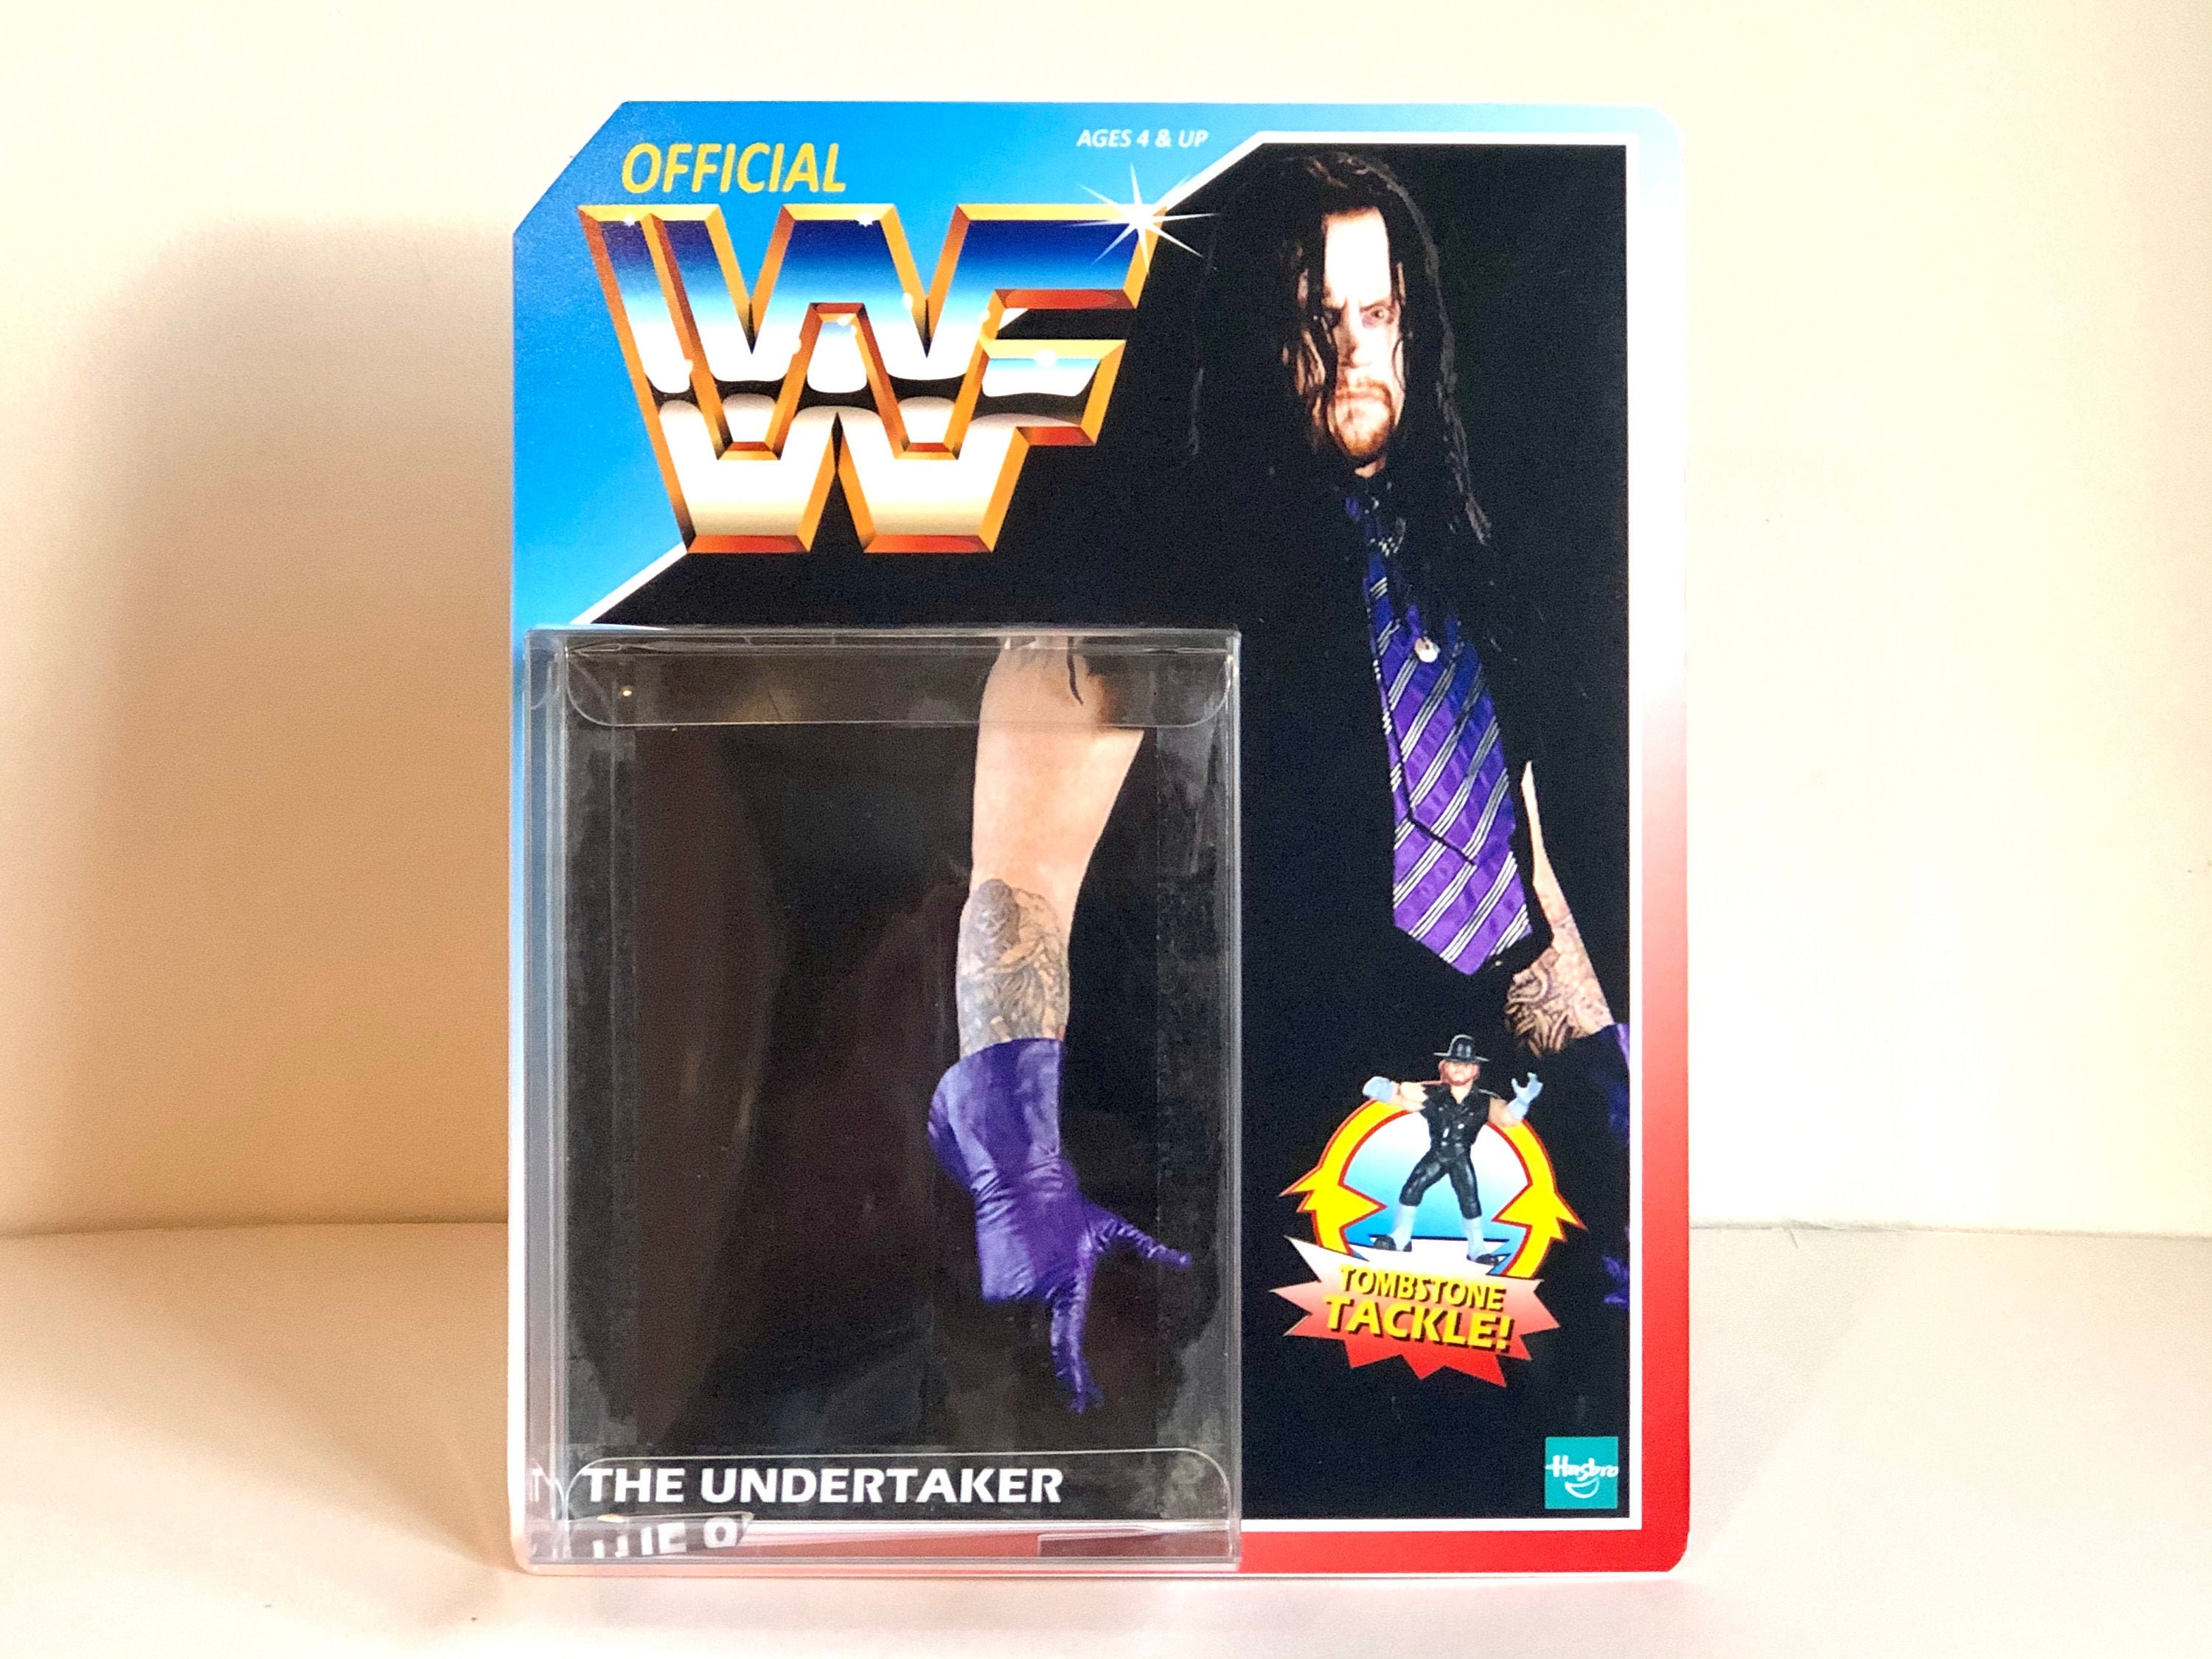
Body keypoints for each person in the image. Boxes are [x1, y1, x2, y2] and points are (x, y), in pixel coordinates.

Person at [931, 150, 1630, 1485]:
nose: (1355, 351)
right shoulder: (1141, 577)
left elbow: (1517, 877)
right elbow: (1017, 896)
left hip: (1476, 1158)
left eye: (1379, 314)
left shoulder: (1457, 569)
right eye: (1318, 318)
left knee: (1502, 1491)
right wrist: (1026, 1192)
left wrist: (1614, 1105)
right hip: (1250, 1148)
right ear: (1257, 333)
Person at [1363, 1034, 1540, 1264]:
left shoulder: (1485, 1102)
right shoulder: (1433, 1095)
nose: (1459, 1069)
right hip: (1437, 1153)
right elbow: (1404, 1100)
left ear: (1474, 1070)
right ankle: (1400, 1238)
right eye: (1454, 1063)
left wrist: (1522, 1103)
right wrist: (1384, 1090)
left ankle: (1477, 1249)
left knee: (1470, 1200)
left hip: (1460, 1156)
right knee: (1412, 1189)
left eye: (1465, 1064)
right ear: (1445, 1066)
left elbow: (1507, 1118)